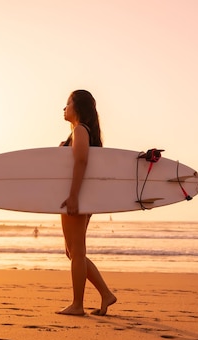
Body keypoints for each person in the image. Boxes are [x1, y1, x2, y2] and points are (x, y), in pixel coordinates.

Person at [57, 90, 117, 316]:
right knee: (73, 252)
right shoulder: (79, 133)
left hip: (76, 197)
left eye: (67, 104)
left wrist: (73, 196)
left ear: (77, 108)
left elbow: (81, 161)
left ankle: (77, 305)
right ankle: (105, 294)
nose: (64, 109)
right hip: (80, 197)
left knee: (77, 252)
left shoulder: (81, 130)